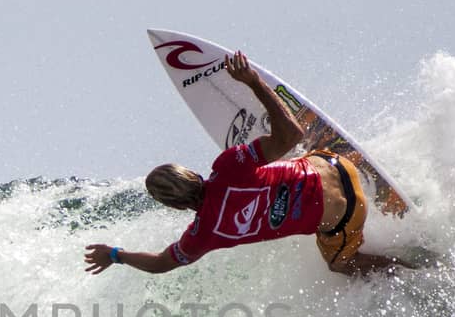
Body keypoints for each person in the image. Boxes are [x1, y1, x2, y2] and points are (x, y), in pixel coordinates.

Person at [84, 51, 411, 277]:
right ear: (193, 174)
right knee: (284, 154)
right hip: (337, 164)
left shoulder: (202, 234)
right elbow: (293, 134)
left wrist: (116, 255)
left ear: (176, 206)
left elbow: (160, 264)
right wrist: (253, 82)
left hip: (345, 216)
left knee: (340, 266)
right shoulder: (227, 167)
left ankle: (416, 268)